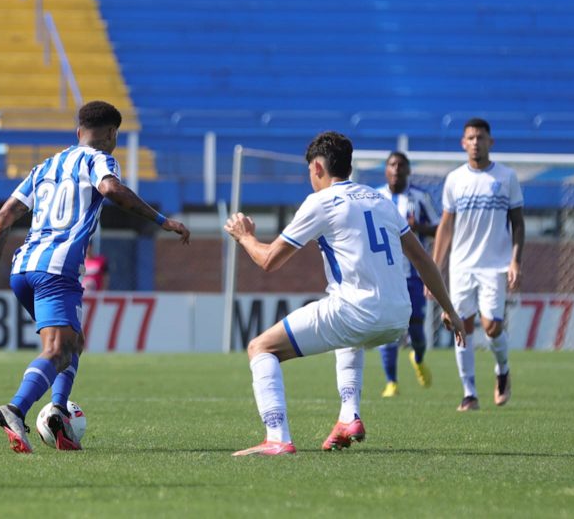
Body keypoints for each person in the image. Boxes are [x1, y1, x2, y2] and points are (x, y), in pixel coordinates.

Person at [224, 131, 466, 456]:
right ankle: (348, 417)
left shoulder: (320, 202)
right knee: (348, 334)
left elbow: (268, 260)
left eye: (310, 171)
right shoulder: (380, 199)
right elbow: (423, 258)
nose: (310, 178)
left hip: (356, 311)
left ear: (319, 168)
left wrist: (244, 237)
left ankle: (276, 436)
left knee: (261, 348)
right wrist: (449, 309)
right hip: (398, 317)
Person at [0, 100, 191, 453]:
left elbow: (2, 217)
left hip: (22, 269)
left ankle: (59, 411)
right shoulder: (99, 159)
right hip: (57, 270)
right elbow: (110, 189)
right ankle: (16, 408)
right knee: (59, 348)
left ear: (78, 132)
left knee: (74, 342)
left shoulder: (44, 166)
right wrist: (162, 220)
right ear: (111, 134)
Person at [431, 117, 525, 412]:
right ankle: (469, 392)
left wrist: (515, 261)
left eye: (480, 137)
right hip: (461, 266)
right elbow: (446, 226)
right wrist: (434, 268)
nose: (475, 142)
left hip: (495, 265)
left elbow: (518, 223)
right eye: (470, 138)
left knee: (492, 326)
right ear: (463, 143)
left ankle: (503, 369)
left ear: (490, 142)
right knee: (462, 326)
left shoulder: (506, 178)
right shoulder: (455, 179)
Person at [376, 151, 439, 397]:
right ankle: (391, 382)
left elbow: (437, 228)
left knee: (415, 329)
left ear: (408, 170)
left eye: (401, 165)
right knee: (387, 328)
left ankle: (419, 357)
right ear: (386, 170)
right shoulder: (374, 197)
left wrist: (417, 227)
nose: (396, 169)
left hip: (412, 275)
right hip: (383, 275)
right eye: (392, 164)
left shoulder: (419, 198)